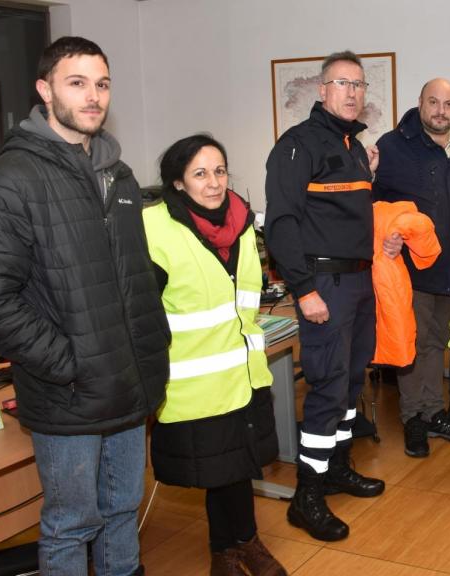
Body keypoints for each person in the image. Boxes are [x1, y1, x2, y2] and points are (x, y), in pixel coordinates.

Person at [0, 36, 169, 576]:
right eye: (77, 83)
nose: (93, 97)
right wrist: (69, 363)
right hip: (70, 396)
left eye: (101, 84)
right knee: (71, 524)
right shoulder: (10, 182)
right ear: (44, 90)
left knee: (122, 513)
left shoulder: (118, 175)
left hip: (129, 386)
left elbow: (131, 275)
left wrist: (152, 344)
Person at [265, 50, 392, 542]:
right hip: (325, 287)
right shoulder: (297, 145)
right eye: (342, 83)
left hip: (359, 283)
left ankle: (336, 467)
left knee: (348, 383)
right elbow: (282, 223)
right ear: (322, 91)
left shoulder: (355, 146)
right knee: (324, 388)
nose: (353, 92)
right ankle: (307, 495)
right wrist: (304, 289)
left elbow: (340, 213)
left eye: (359, 85)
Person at [144, 135, 286, 575]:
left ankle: (240, 544)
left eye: (220, 171)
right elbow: (143, 313)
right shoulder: (154, 228)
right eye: (200, 174)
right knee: (218, 470)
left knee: (236, 466)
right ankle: (229, 548)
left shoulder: (242, 224)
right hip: (192, 383)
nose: (213, 183)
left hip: (242, 372)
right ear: (179, 183)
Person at [373, 78, 450, 456]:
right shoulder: (392, 146)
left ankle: (433, 411)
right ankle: (414, 419)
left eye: (449, 104)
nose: (441, 111)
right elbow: (373, 205)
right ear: (419, 103)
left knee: (436, 342)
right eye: (433, 102)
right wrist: (388, 234)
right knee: (415, 344)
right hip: (410, 267)